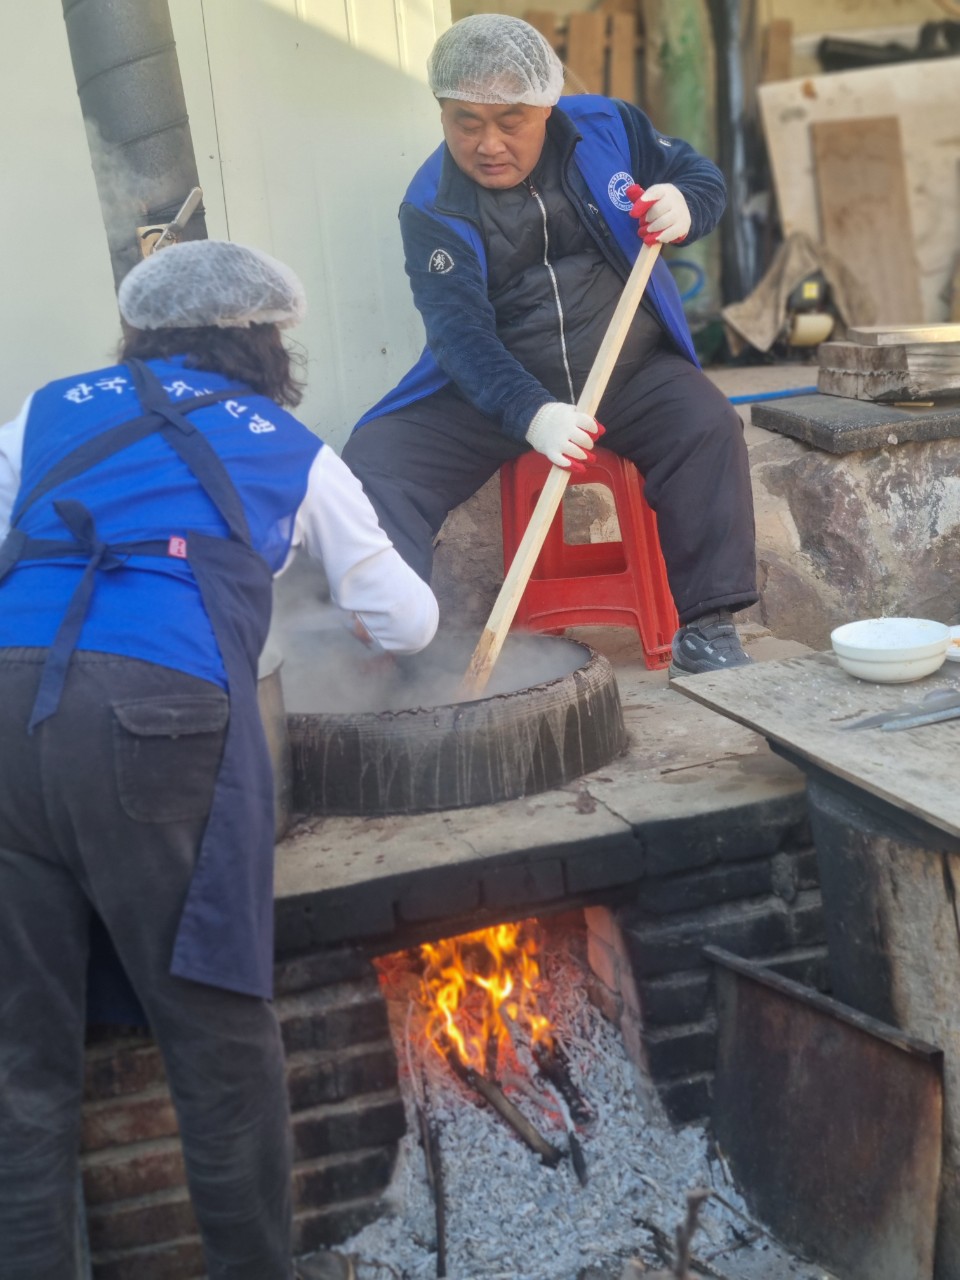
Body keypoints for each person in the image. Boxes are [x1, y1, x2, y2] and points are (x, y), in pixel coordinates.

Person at [0, 239, 437, 1280]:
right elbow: (409, 620)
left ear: (139, 333)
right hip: (157, 725)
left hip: (9, 706)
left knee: (22, 1054)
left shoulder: (44, 410)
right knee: (218, 1046)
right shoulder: (288, 445)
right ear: (266, 341)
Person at [342, 13, 758, 677]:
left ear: (546, 108)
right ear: (442, 111)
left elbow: (698, 174)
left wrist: (687, 202)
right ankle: (388, 653)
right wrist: (532, 413)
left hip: (628, 369)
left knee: (707, 425)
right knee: (378, 459)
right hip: (497, 389)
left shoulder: (608, 128)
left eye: (510, 122)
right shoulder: (430, 205)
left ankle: (709, 628)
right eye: (466, 122)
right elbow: (460, 335)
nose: (488, 144)